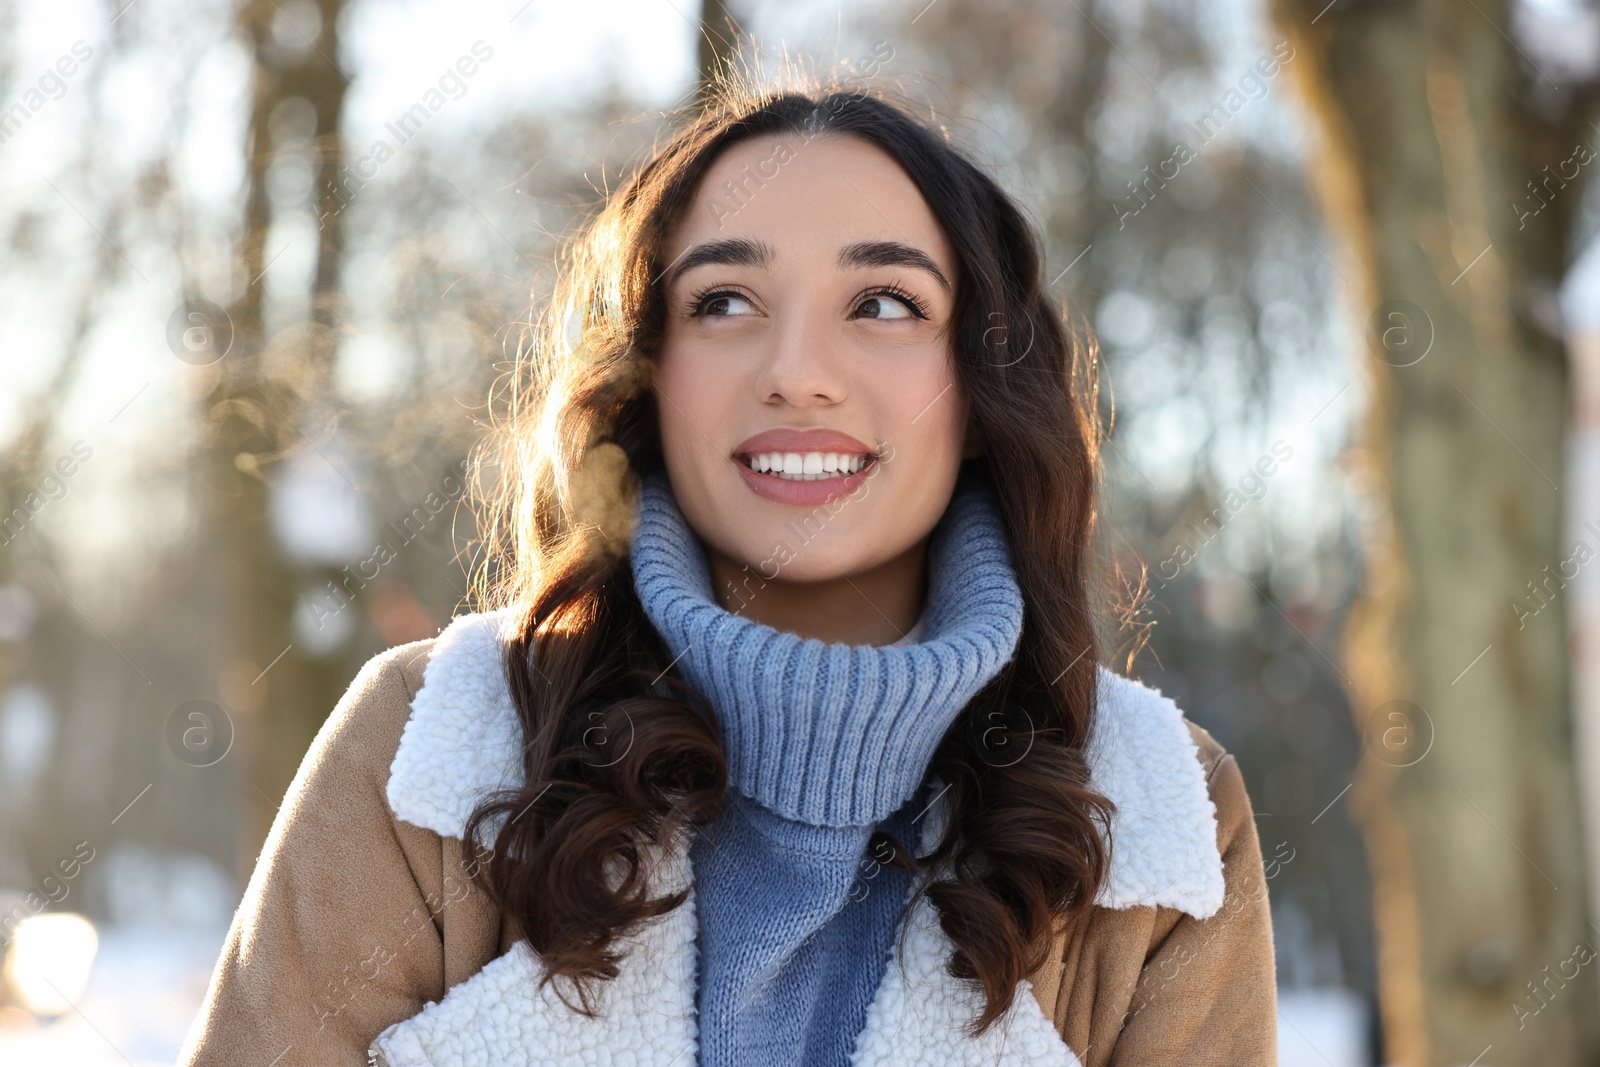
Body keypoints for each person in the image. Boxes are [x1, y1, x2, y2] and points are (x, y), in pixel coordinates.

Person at [179, 71, 1277, 1067]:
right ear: (650, 377)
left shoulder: (1159, 809)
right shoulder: (428, 744)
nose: (798, 373)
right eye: (724, 303)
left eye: (885, 303)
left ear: (981, 389)